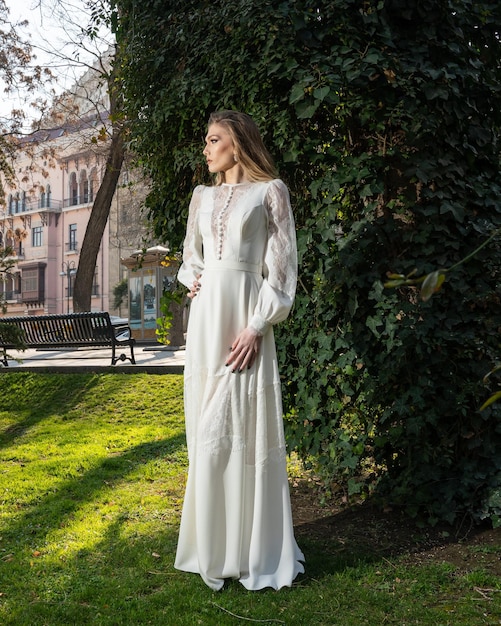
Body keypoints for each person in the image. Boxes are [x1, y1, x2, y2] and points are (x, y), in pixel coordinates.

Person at [174, 110, 305, 591]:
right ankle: (211, 545)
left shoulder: (271, 191)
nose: (206, 149)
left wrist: (256, 327)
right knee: (203, 425)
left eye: (214, 139)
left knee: (241, 425)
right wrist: (195, 280)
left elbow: (283, 270)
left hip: (247, 317)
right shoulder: (201, 196)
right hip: (207, 319)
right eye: (206, 140)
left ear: (238, 143)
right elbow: (191, 255)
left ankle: (251, 548)